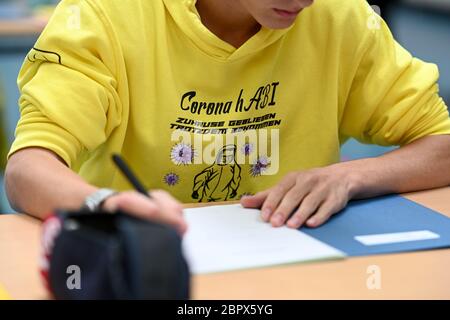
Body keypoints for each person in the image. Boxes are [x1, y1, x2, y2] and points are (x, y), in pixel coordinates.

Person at [5, 0, 450, 234]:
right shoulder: (105, 14)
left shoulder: (340, 16)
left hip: (292, 261)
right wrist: (105, 207)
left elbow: (441, 145)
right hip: (144, 265)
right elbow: (28, 169)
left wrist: (350, 176)